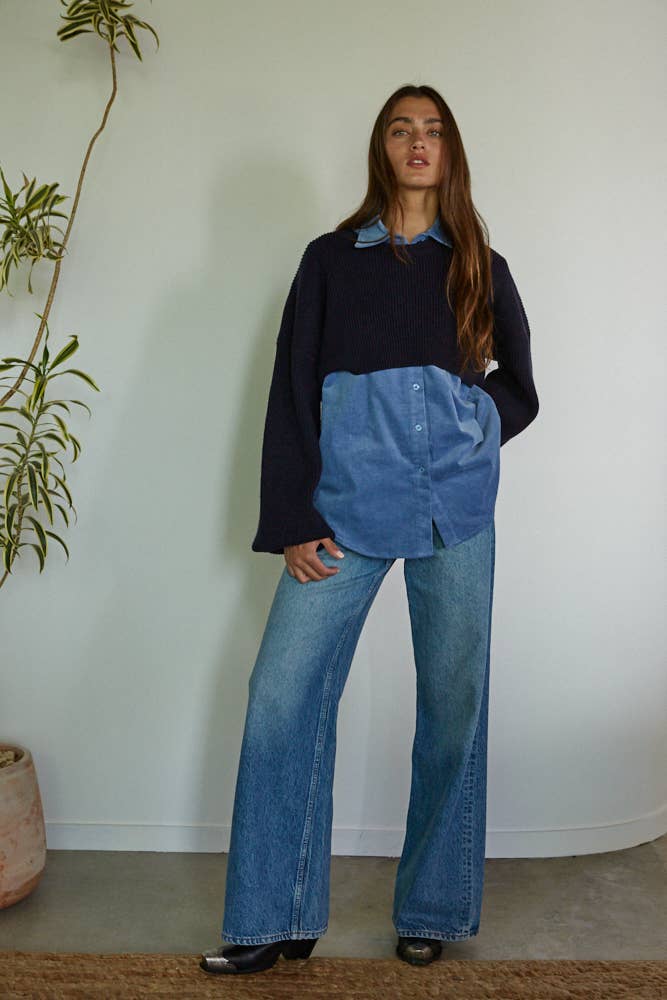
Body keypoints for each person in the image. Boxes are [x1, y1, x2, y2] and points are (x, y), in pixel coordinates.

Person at [199, 83, 539, 977]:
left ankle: (430, 907)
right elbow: (290, 390)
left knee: (452, 710)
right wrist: (292, 518)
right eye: (401, 129)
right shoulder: (329, 260)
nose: (417, 143)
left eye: (432, 130)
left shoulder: (476, 262)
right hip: (343, 512)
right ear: (380, 148)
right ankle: (273, 916)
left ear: (450, 150)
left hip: (454, 512)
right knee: (283, 699)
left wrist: (473, 429)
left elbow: (520, 388)